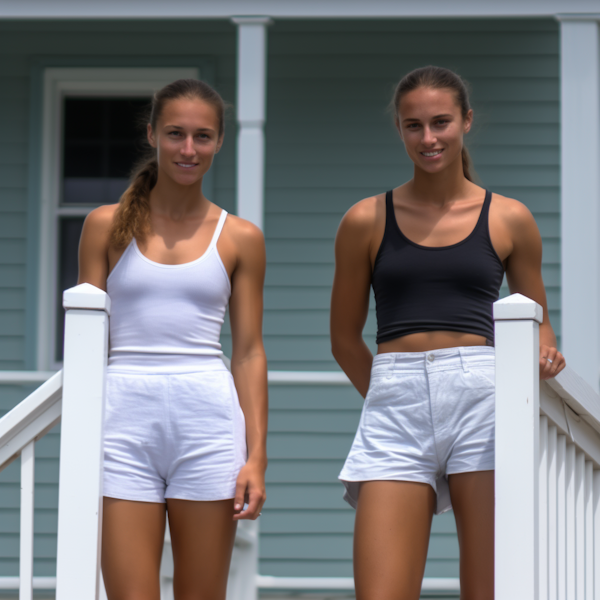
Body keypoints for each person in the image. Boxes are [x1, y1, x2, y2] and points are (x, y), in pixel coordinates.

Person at [330, 66, 565, 600]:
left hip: (484, 400)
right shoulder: (366, 219)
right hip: (395, 402)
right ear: (399, 128)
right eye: (414, 125)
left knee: (490, 589)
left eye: (441, 122)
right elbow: (344, 338)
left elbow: (539, 323)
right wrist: (396, 393)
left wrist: (545, 353)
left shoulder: (510, 218)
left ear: (466, 121)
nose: (428, 138)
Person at [78, 79, 268, 599]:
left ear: (219, 141)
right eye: (176, 134)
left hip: (207, 425)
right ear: (152, 134)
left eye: (202, 136)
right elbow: (86, 341)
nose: (189, 149)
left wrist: (256, 456)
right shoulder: (104, 227)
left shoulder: (240, 236)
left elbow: (248, 351)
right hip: (122, 424)